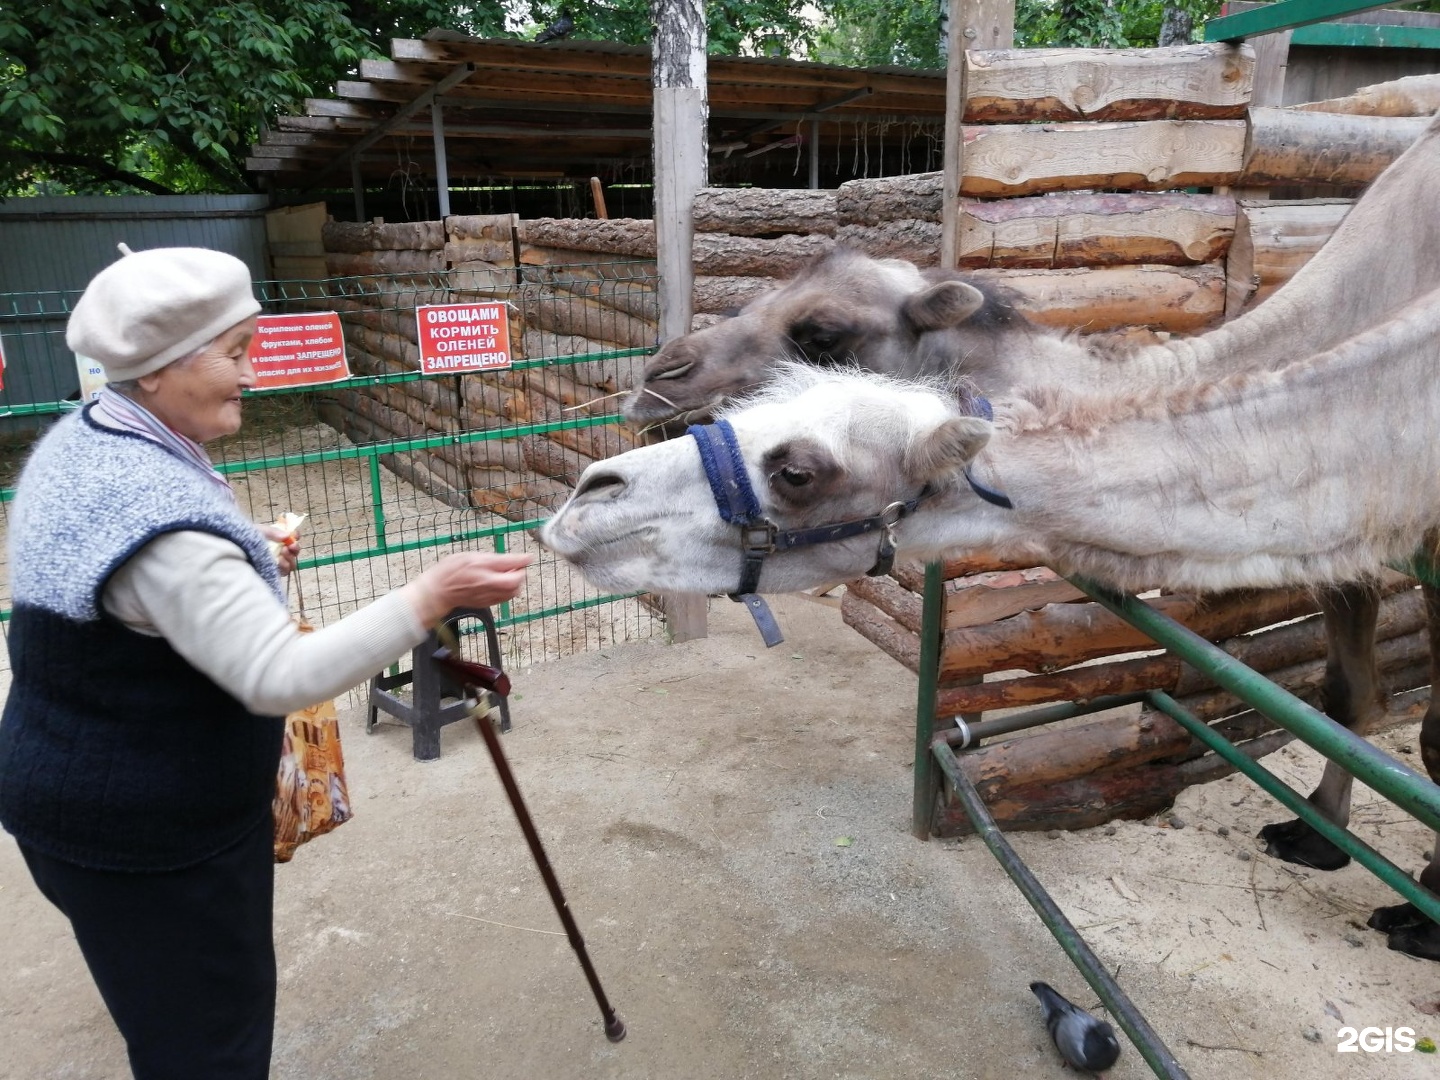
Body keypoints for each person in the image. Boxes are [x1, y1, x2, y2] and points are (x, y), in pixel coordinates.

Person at [0, 245, 532, 1080]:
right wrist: (428, 596)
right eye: (237, 352)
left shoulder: (85, 441)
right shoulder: (162, 518)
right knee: (210, 1042)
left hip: (67, 792)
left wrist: (247, 566)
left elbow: (130, 602)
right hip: (152, 833)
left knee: (159, 1001)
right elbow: (276, 677)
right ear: (157, 368)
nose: (253, 373)